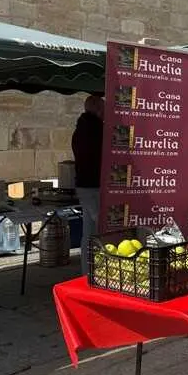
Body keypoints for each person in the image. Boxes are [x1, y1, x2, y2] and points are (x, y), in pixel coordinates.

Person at [72, 95, 104, 275]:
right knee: (101, 231)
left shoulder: (79, 129)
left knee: (89, 232)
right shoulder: (97, 130)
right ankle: (98, 271)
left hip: (84, 185)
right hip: (95, 186)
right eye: (104, 109)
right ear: (99, 110)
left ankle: (87, 272)